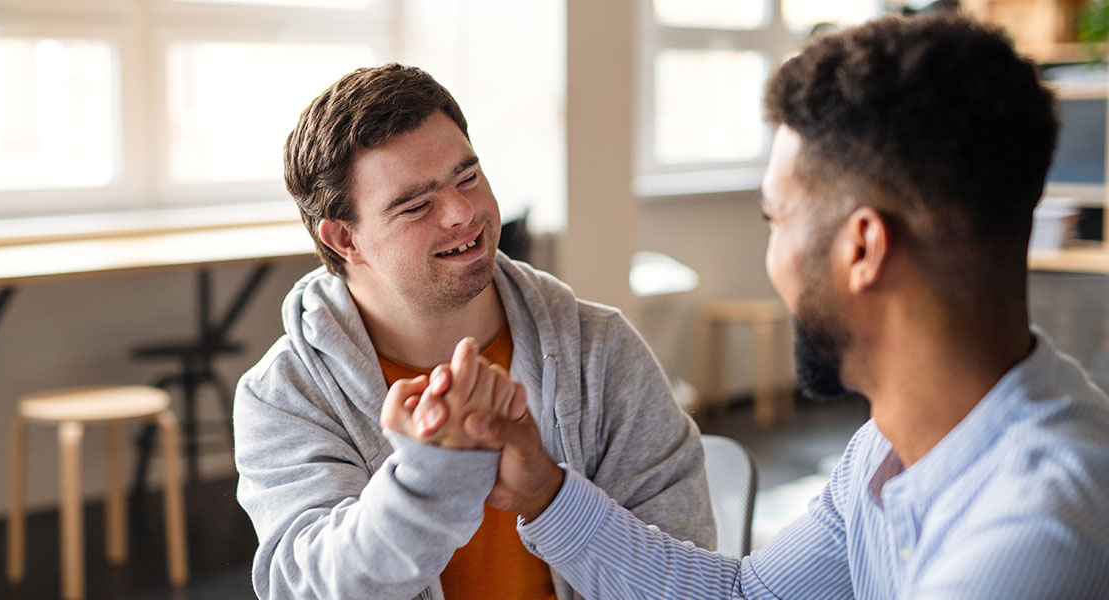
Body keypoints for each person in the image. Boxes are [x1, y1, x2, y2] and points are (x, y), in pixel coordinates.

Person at [387, 14, 1109, 598]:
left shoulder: (1042, 534)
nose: (773, 257)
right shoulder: (892, 448)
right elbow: (746, 597)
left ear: (862, 249)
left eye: (775, 219)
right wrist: (543, 491)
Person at [232, 63, 714, 600]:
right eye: (417, 205)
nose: (463, 213)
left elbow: (686, 577)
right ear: (346, 239)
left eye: (469, 177)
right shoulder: (284, 395)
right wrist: (430, 477)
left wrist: (551, 496)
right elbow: (308, 589)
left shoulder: (600, 349)